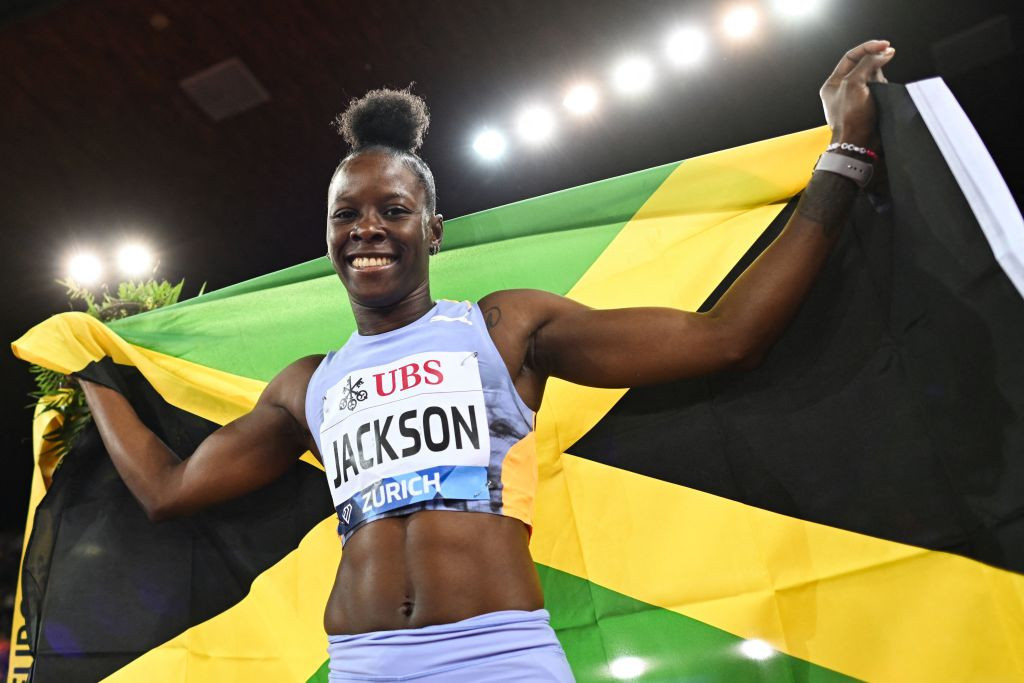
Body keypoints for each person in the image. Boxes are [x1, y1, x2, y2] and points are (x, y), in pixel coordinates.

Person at [77, 39, 895, 682]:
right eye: (346, 214)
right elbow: (169, 490)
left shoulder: (506, 328)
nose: (366, 228)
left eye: (393, 210)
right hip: (363, 666)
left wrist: (844, 154)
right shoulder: (307, 384)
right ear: (327, 236)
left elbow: (727, 336)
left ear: (432, 231)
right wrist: (90, 365)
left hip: (496, 658)